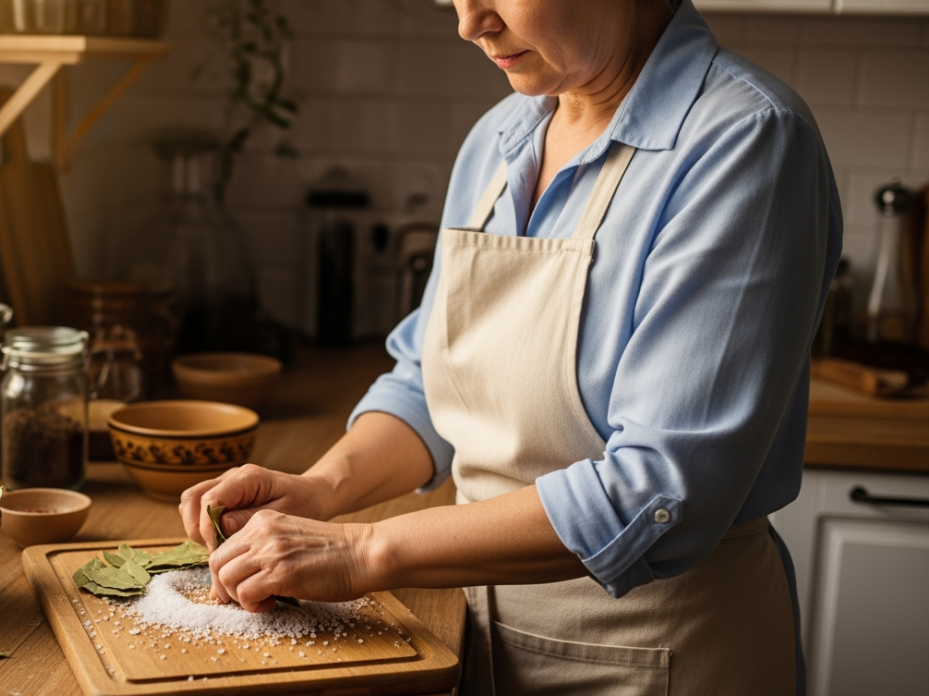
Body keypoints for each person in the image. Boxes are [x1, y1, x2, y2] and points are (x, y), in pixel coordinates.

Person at [179, 0, 841, 693]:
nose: (471, 23)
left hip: (659, 655)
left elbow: (660, 489)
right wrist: (319, 490)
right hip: (471, 634)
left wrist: (360, 549)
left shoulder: (748, 140)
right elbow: (429, 380)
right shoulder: (502, 134)